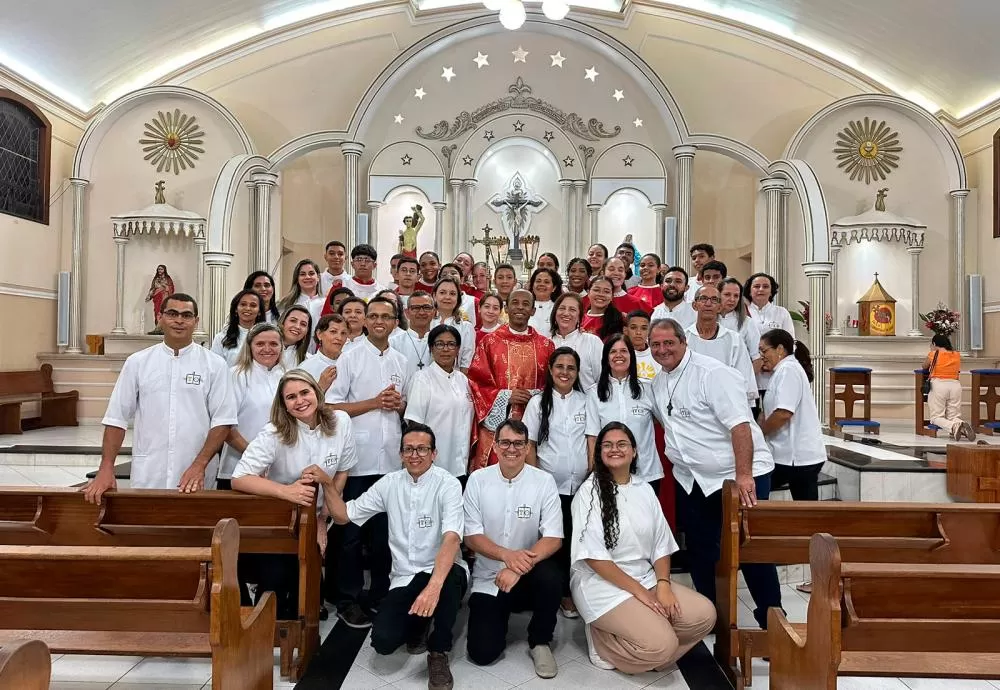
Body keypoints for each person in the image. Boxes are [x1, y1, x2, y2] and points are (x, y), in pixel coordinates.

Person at [647, 319, 781, 628]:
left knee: (749, 548)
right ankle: (710, 615)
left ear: (684, 342)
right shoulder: (658, 382)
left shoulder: (712, 373)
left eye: (669, 343)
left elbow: (740, 426)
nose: (662, 350)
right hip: (692, 479)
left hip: (737, 477)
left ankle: (771, 619)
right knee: (701, 549)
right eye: (656, 345)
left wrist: (744, 475)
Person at [325, 422, 467, 690]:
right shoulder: (389, 484)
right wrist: (326, 483)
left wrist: (433, 588)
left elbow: (452, 538)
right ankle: (420, 621)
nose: (415, 455)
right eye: (409, 449)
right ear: (401, 454)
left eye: (422, 449)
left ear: (434, 453)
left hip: (443, 569)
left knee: (447, 585)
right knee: (383, 643)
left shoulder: (447, 484)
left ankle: (438, 652)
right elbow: (343, 515)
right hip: (404, 575)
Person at [571, 422, 715, 672]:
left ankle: (653, 646)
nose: (614, 449)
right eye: (607, 445)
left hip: (644, 577)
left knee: (705, 615)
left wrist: (663, 584)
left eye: (622, 444)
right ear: (599, 452)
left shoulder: (644, 489)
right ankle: (602, 642)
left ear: (634, 451)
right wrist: (641, 593)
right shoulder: (588, 492)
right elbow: (595, 558)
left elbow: (661, 544)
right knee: (662, 645)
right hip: (601, 584)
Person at [83, 294, 237, 502]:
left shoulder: (214, 365)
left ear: (196, 322)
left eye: (187, 315)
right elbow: (116, 419)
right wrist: (106, 467)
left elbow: (223, 422)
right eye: (172, 314)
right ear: (159, 317)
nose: (179, 321)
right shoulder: (138, 362)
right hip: (149, 470)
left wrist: (199, 465)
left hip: (195, 472)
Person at [231, 369, 356, 618]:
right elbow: (239, 478)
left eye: (305, 393)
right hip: (281, 516)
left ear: (317, 393)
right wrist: (286, 491)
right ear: (284, 405)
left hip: (321, 510)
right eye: (291, 397)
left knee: (310, 592)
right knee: (277, 586)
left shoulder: (341, 421)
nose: (300, 401)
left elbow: (342, 470)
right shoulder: (273, 432)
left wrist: (322, 518)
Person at [327, 297, 415, 627]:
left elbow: (407, 406)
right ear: (363, 321)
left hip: (391, 461)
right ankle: (347, 599)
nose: (379, 321)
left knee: (384, 536)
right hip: (357, 460)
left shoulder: (402, 360)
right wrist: (374, 402)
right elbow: (332, 406)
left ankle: (379, 594)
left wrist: (400, 403)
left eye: (387, 316)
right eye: (373, 315)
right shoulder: (349, 357)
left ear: (395, 322)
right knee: (350, 535)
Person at [463, 419, 563, 677]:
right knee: (482, 654)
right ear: (495, 446)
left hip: (528, 574)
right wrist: (506, 556)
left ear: (527, 448)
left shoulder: (543, 481)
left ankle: (540, 641)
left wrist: (518, 567)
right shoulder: (477, 480)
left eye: (519, 443)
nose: (512, 449)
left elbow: (553, 538)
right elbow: (471, 537)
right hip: (490, 577)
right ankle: (500, 615)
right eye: (505, 442)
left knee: (552, 576)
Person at [523, 347, 589, 619]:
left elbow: (591, 440)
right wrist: (537, 482)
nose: (565, 372)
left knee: (578, 540)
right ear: (550, 370)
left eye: (570, 368)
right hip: (550, 487)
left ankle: (577, 591)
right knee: (554, 541)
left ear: (577, 372)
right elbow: (530, 445)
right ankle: (558, 593)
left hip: (581, 487)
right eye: (559, 366)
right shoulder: (538, 403)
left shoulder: (586, 401)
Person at [467, 289, 554, 470]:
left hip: (534, 425)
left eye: (525, 304)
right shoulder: (490, 342)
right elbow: (476, 382)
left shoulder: (546, 345)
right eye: (515, 303)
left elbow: (552, 385)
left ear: (533, 311)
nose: (520, 308)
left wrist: (536, 397)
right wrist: (505, 396)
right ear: (506, 308)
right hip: (498, 425)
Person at [586, 335, 663, 491]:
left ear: (631, 356)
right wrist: (595, 471)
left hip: (646, 473)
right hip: (609, 474)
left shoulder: (647, 388)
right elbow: (593, 436)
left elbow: (663, 422)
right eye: (613, 351)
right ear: (606, 358)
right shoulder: (594, 393)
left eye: (624, 351)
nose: (618, 355)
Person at [758, 329, 826, 498]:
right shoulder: (784, 370)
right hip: (795, 456)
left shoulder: (788, 370)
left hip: (796, 456)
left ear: (780, 349)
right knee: (805, 510)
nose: (761, 356)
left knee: (758, 484)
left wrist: (759, 434)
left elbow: (783, 413)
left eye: (764, 350)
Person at [219, 322, 285, 490]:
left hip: (278, 471)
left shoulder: (286, 376)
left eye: (273, 344)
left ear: (281, 347)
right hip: (238, 467)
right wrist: (256, 458)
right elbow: (225, 426)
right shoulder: (236, 375)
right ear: (249, 347)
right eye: (260, 344)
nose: (267, 349)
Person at [404, 324, 474, 481]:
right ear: (431, 348)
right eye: (439, 344)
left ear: (458, 349)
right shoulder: (422, 378)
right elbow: (414, 425)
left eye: (451, 344)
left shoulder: (463, 380)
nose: (445, 349)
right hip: (432, 466)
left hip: (461, 464)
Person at [686, 285, 758, 405]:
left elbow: (744, 377)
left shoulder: (734, 340)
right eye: (703, 298)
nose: (708, 303)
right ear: (694, 305)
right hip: (691, 404)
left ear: (720, 307)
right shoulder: (684, 338)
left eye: (714, 300)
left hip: (726, 404)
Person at [744, 272, 795, 400]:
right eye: (756, 286)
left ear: (771, 291)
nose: (761, 289)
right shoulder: (742, 313)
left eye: (765, 286)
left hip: (775, 372)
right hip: (751, 372)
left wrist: (774, 363)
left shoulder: (781, 313)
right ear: (749, 291)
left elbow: (791, 343)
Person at [923, 333, 975, 440]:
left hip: (939, 385)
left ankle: (953, 426)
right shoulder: (956, 354)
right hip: (955, 385)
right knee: (953, 416)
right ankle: (962, 424)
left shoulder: (933, 354)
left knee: (936, 417)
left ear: (934, 343)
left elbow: (924, 366)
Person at [719, 278, 764, 399]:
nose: (732, 299)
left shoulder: (747, 323)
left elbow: (758, 358)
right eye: (727, 295)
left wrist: (742, 380)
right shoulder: (708, 321)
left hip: (738, 386)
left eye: (736, 296)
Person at [550, 292, 603, 390]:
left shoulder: (592, 342)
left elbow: (602, 379)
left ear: (580, 317)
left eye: (572, 310)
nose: (566, 313)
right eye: (562, 308)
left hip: (588, 403)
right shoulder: (546, 343)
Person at [430, 276, 475, 373]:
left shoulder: (466, 327)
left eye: (452, 294)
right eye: (442, 293)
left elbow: (465, 365)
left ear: (458, 298)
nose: (447, 297)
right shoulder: (426, 323)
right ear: (434, 296)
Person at [210, 290, 265, 367]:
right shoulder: (221, 338)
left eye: (253, 305)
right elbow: (215, 368)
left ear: (259, 311)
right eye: (243, 304)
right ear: (236, 309)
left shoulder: (267, 337)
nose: (248, 308)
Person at [297, 314, 348, 394]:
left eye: (343, 333)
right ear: (319, 334)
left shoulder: (352, 362)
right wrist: (320, 387)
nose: (339, 337)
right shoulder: (305, 369)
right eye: (333, 332)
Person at [390, 291, 434, 373]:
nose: (421, 312)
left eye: (426, 307)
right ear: (407, 313)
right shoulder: (394, 343)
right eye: (416, 308)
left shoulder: (438, 342)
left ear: (434, 312)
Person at [581, 276, 624, 340]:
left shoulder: (620, 320)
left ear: (612, 296)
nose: (601, 294)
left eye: (606, 292)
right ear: (588, 293)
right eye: (596, 290)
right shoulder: (578, 319)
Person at [438, 263, 479, 329]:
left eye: (453, 273)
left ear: (462, 279)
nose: (449, 276)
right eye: (444, 274)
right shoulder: (434, 301)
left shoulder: (474, 302)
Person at [624, 310, 660, 382]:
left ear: (649, 331)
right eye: (633, 327)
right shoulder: (619, 354)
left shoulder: (658, 354)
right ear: (625, 330)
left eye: (643, 328)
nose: (638, 332)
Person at [528, 267, 562, 337]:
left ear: (554, 288)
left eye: (546, 282)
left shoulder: (559, 309)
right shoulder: (525, 307)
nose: (541, 284)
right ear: (532, 285)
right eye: (538, 281)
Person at [144, 264, 175, 330]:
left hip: (164, 297)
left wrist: (164, 286)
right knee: (157, 311)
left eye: (161, 269)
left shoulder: (167, 279)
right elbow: (153, 288)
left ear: (164, 270)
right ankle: (158, 327)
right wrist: (149, 296)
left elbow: (171, 288)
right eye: (158, 269)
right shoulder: (155, 279)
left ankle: (164, 327)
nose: (160, 270)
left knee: (163, 311)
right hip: (157, 298)